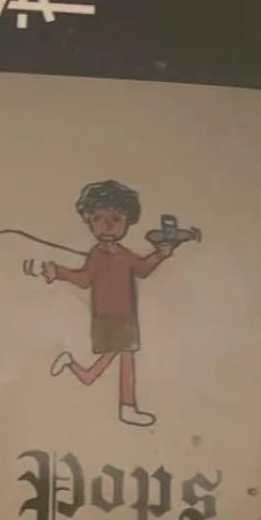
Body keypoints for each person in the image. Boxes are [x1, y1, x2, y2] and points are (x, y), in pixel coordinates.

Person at [42, 180, 177, 426]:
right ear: (89, 221)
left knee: (121, 360)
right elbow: (84, 280)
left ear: (127, 221)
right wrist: (58, 272)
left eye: (116, 219)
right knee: (121, 360)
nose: (108, 225)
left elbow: (143, 269)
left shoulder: (124, 254)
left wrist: (160, 254)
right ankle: (125, 406)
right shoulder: (96, 255)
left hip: (126, 317)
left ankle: (83, 374)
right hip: (107, 318)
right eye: (99, 218)